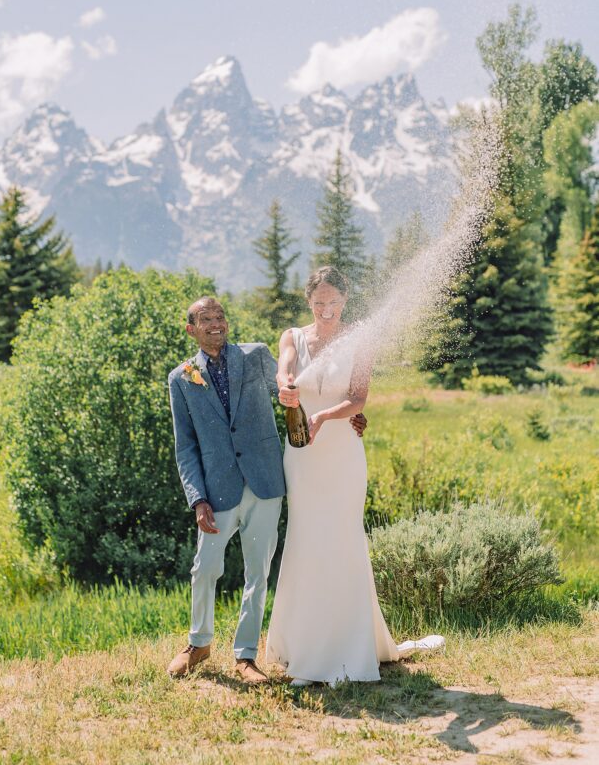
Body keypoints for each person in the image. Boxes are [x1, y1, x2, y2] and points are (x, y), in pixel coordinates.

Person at [166, 295, 368, 685]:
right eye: (206, 319)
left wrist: (351, 414)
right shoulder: (182, 378)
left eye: (220, 316)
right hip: (217, 491)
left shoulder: (256, 356)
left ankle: (245, 657)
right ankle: (198, 644)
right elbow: (185, 447)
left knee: (256, 573)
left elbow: (295, 393)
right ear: (191, 329)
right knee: (205, 568)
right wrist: (197, 499)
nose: (216, 324)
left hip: (264, 483)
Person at [266, 266, 444, 685]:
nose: (326, 310)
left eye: (333, 302)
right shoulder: (291, 337)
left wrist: (325, 415)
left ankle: (347, 647)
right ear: (308, 301)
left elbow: (359, 396)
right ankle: (303, 647)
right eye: (318, 302)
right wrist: (285, 387)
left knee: (343, 537)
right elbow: (284, 371)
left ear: (345, 301)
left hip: (343, 451)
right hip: (302, 453)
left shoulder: (361, 340)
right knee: (306, 537)